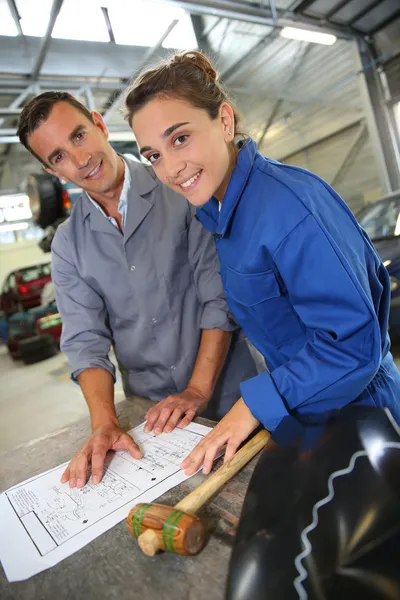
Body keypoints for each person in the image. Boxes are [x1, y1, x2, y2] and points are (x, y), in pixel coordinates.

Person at [124, 50, 400, 477]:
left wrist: (256, 403)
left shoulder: (288, 207)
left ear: (225, 122)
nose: (172, 168)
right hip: (310, 406)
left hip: (363, 410)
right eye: (153, 155)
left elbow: (353, 346)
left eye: (180, 138)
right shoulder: (220, 215)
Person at [17, 92, 261, 488]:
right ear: (53, 171)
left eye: (79, 136)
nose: (80, 160)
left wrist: (198, 389)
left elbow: (218, 297)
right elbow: (85, 341)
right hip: (153, 415)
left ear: (99, 124)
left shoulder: (179, 183)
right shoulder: (68, 245)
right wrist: (105, 423)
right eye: (59, 156)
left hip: (229, 396)